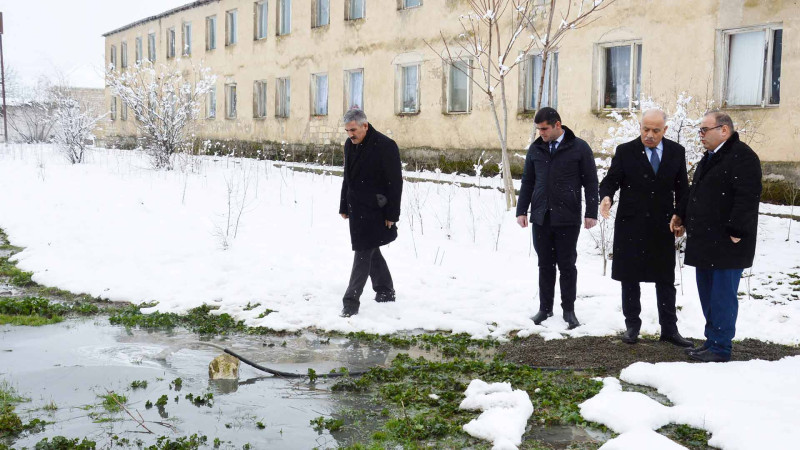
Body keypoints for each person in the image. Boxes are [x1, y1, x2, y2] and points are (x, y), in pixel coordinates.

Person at [671, 111, 762, 362]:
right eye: (699, 131)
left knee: (722, 297)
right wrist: (682, 216)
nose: (700, 135)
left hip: (727, 243)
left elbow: (747, 197)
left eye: (704, 130)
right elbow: (696, 192)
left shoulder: (743, 157)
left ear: (724, 130)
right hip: (705, 242)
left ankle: (721, 347)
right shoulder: (710, 157)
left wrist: (736, 231)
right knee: (708, 295)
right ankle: (712, 341)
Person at [598, 109, 693, 347]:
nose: (649, 135)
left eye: (655, 131)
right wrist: (606, 196)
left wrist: (681, 216)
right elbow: (611, 180)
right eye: (645, 129)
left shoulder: (675, 152)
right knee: (630, 277)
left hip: (662, 225)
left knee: (665, 277)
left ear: (665, 130)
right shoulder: (626, 151)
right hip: (631, 224)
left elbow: (683, 189)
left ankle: (669, 329)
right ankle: (632, 326)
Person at [516, 107, 598, 329]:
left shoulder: (578, 148)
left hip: (567, 217)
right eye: (538, 129)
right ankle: (545, 309)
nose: (541, 133)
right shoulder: (536, 149)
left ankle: (568, 311)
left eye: (544, 129)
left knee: (567, 265)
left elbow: (591, 182)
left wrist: (591, 212)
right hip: (541, 216)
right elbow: (527, 181)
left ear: (557, 125)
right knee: (545, 265)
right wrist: (521, 210)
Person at [338, 108, 403, 318]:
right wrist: (343, 205)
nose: (350, 135)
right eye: (347, 131)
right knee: (371, 250)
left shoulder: (386, 146)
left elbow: (395, 184)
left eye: (354, 130)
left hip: (376, 209)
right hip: (356, 208)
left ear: (365, 125)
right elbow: (347, 177)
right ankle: (385, 290)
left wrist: (392, 215)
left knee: (363, 252)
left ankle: (350, 302)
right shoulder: (349, 145)